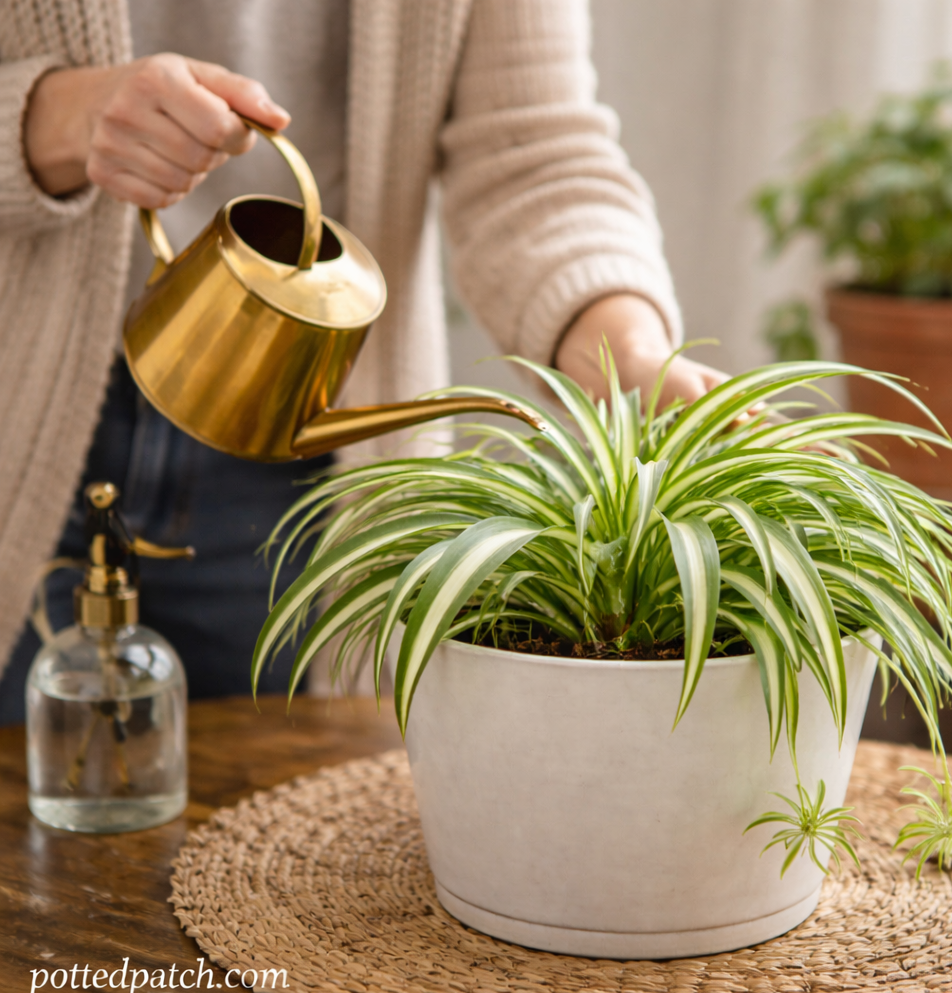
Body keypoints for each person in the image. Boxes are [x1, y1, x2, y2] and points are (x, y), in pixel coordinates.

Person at [0, 0, 726, 724]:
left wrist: (626, 353)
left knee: (268, 815)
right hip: (18, 417)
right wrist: (56, 117)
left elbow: (529, 150)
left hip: (296, 457)